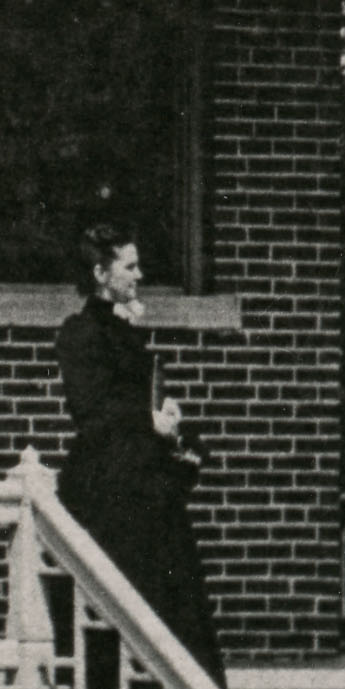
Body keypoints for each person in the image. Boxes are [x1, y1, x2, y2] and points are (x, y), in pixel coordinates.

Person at [51, 230, 221, 666]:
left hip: (141, 482)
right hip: (107, 486)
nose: (139, 274)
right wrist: (146, 418)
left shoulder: (125, 329)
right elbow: (90, 409)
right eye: (129, 266)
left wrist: (164, 414)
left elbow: (131, 395)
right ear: (100, 274)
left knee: (168, 589)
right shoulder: (81, 332)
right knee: (125, 589)